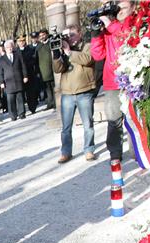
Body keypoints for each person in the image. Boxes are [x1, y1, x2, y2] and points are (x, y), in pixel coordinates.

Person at [90, 0, 137, 161]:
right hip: (112, 82)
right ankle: (115, 153)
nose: (121, 11)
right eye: (119, 9)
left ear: (133, 7)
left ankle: (138, 152)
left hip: (134, 80)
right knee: (113, 120)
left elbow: (127, 35)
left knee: (135, 118)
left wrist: (110, 24)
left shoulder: (134, 21)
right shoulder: (110, 27)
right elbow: (98, 55)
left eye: (124, 8)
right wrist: (96, 36)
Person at [53, 24, 97, 163]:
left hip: (85, 91)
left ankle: (89, 150)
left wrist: (69, 52)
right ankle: (66, 152)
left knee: (88, 124)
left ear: (80, 34)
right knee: (66, 127)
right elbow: (57, 69)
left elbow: (88, 59)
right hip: (67, 93)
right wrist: (56, 55)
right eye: (67, 36)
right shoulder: (64, 51)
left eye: (72, 35)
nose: (69, 38)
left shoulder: (87, 46)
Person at [0, 39, 29, 121]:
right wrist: (1, 82)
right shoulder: (1, 59)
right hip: (8, 82)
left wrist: (25, 76)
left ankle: (21, 113)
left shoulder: (18, 55)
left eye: (11, 47)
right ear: (5, 48)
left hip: (18, 80)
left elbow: (23, 66)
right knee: (10, 100)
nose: (10, 48)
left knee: (20, 98)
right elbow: (0, 72)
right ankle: (13, 115)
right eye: (8, 47)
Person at [18, 34, 39, 114]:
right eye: (20, 41)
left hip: (30, 73)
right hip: (20, 75)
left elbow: (34, 60)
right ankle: (22, 110)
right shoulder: (16, 51)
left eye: (23, 41)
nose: (22, 43)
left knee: (31, 92)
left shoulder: (30, 49)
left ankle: (32, 107)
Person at [37, 29, 56, 110]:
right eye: (40, 36)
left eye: (43, 35)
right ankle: (50, 103)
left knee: (54, 87)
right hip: (43, 71)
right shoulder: (39, 47)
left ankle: (55, 102)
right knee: (47, 89)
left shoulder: (51, 43)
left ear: (47, 34)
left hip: (52, 70)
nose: (42, 37)